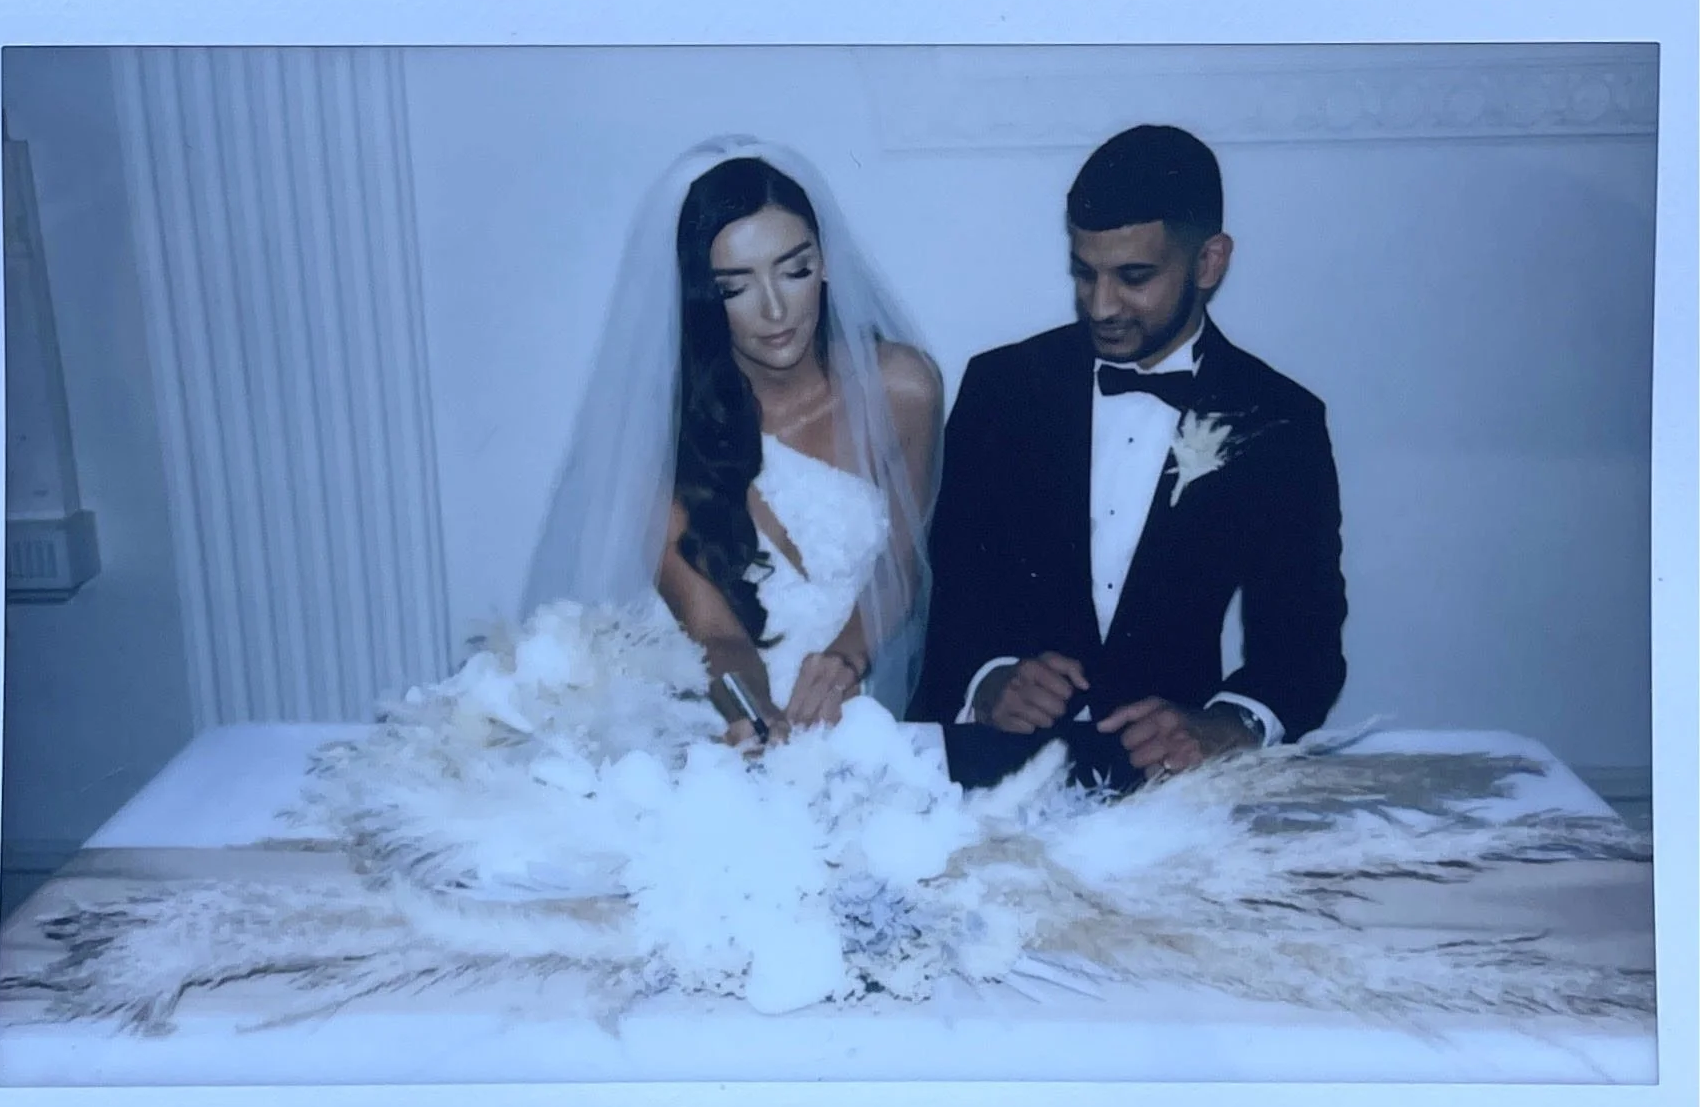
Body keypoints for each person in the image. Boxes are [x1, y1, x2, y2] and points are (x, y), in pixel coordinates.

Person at [911, 124, 1348, 790]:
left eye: (1132, 277)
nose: (1100, 304)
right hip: (990, 768)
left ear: (1208, 262)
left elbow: (1303, 642)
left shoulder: (1279, 419)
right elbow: (946, 590)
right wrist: (989, 679)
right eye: (1084, 274)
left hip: (1169, 786)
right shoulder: (1001, 387)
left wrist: (1227, 724)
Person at [524, 137, 944, 745]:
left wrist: (847, 659)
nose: (775, 310)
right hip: (713, 707)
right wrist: (755, 713)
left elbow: (904, 563)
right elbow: (713, 631)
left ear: (827, 262)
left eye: (794, 270)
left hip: (850, 699)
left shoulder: (904, 388)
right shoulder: (661, 437)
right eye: (736, 286)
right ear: (703, 297)